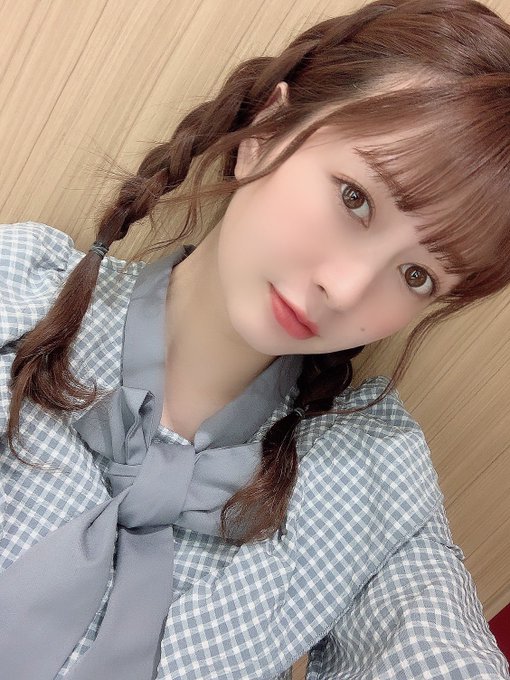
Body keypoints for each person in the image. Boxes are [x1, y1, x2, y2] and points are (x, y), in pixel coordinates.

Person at [0, 0, 509, 677]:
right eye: (355, 198)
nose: (346, 289)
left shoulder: (367, 477)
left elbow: (432, 645)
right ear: (265, 132)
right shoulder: (16, 287)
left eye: (417, 275)